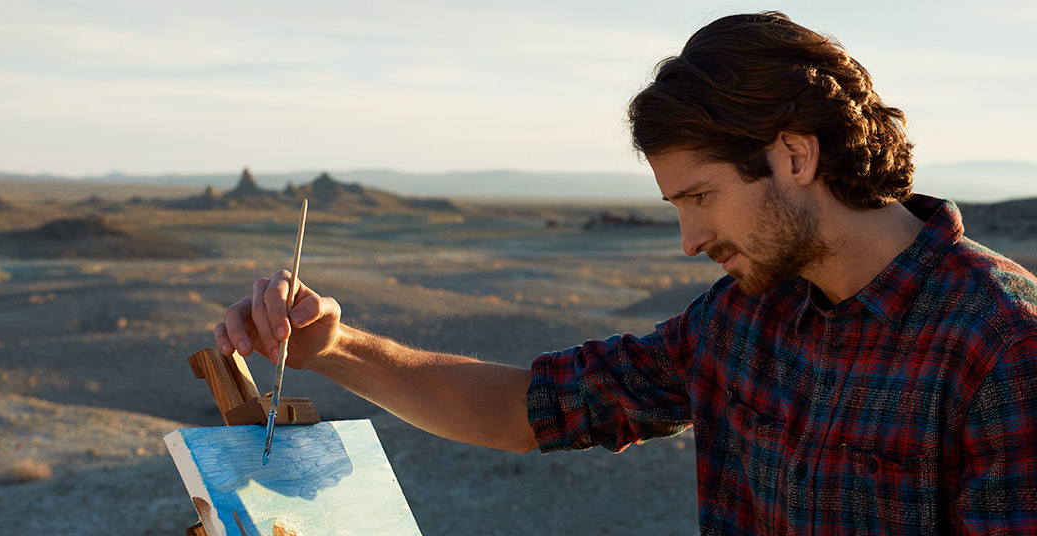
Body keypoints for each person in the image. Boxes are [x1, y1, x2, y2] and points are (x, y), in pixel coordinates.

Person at [214, 11, 1037, 535]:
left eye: (702, 196)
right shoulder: (742, 319)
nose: (689, 238)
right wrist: (334, 346)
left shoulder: (1003, 347)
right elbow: (524, 410)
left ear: (794, 153)